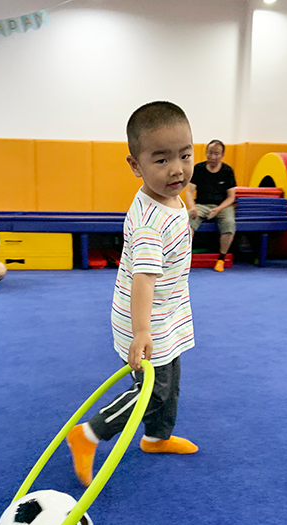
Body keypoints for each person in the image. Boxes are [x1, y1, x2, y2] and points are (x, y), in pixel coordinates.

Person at [67, 101, 198, 488]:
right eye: (161, 160)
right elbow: (143, 278)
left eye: (185, 155)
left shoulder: (170, 196)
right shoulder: (148, 223)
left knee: (170, 381)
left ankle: (156, 438)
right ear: (135, 166)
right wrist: (142, 331)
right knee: (152, 390)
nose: (177, 168)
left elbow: (180, 205)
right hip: (144, 318)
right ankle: (89, 433)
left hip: (166, 313)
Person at [185, 140, 237, 272]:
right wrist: (192, 207)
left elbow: (231, 197)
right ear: (206, 153)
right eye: (210, 153)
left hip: (222, 206)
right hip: (201, 205)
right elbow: (189, 191)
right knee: (187, 222)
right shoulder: (198, 169)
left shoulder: (227, 171)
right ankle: (183, 259)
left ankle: (221, 259)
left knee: (229, 224)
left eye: (217, 154)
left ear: (222, 155)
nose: (213, 157)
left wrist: (218, 209)